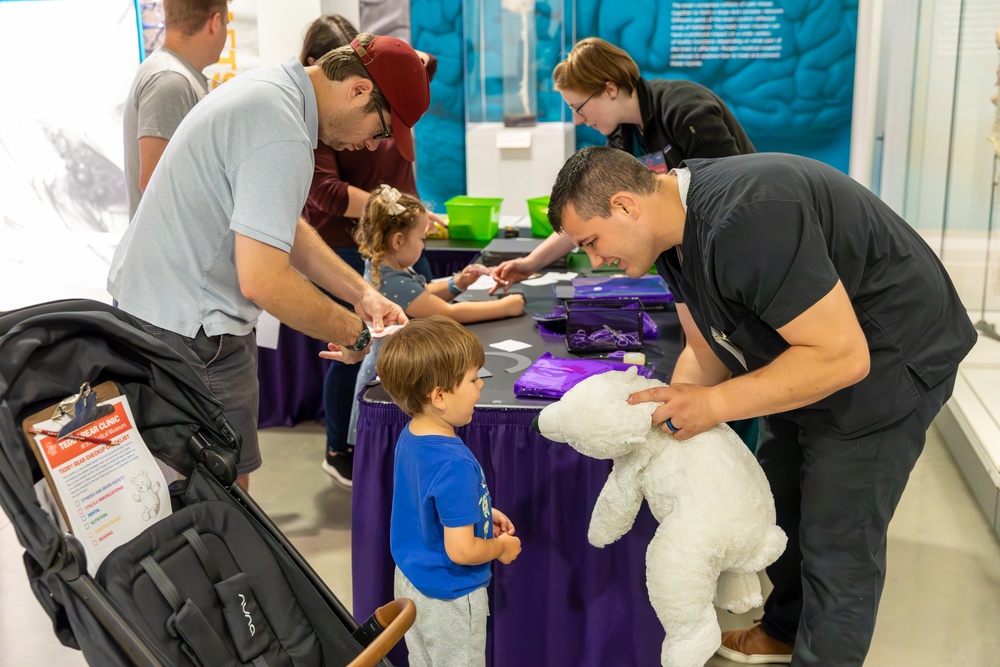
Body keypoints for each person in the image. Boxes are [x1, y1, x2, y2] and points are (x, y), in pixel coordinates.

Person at [546, 146, 978, 666]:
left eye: (592, 242)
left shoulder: (746, 216)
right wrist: (672, 418)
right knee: (781, 499)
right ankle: (783, 630)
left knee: (836, 542)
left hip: (887, 359)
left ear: (624, 205)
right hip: (809, 354)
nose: (593, 260)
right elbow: (704, 350)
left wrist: (715, 404)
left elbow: (842, 358)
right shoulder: (667, 233)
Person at [108, 33, 431, 490]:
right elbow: (264, 280)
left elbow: (284, 229)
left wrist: (363, 294)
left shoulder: (272, 93)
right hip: (188, 331)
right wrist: (355, 332)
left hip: (167, 315)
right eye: (380, 130)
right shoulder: (280, 128)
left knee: (213, 498)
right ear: (359, 90)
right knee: (219, 503)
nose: (373, 146)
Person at [490, 36, 753, 293]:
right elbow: (587, 213)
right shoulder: (621, 136)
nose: (578, 120)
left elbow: (727, 193)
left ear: (609, 89)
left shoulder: (685, 109)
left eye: (578, 107)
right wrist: (530, 263)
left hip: (736, 245)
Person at [298, 14, 440, 486]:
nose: (372, 144)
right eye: (378, 131)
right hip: (344, 242)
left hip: (385, 238)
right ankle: (341, 446)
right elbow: (324, 200)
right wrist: (392, 209)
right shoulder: (306, 126)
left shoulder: (362, 101)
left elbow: (421, 66)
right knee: (352, 357)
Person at [339, 185, 525, 476]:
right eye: (422, 238)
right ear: (399, 240)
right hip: (391, 380)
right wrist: (506, 306)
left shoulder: (386, 267)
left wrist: (457, 283)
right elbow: (445, 312)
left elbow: (422, 292)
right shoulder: (391, 281)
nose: (424, 245)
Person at [376, 315, 522, 666]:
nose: (481, 387)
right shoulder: (455, 463)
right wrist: (500, 546)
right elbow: (461, 550)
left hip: (411, 584)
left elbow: (427, 505)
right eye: (473, 379)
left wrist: (483, 510)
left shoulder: (412, 435)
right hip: (450, 598)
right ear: (440, 396)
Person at [123, 0, 229, 220]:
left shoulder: (175, 75)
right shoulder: (169, 80)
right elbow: (154, 183)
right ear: (215, 23)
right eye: (226, 22)